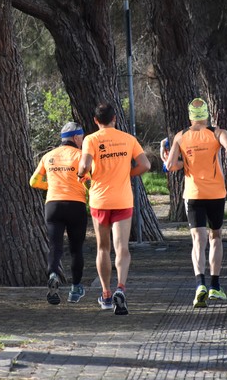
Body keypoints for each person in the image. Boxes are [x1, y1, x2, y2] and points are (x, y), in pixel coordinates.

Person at [77, 103, 151, 315]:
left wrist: (82, 175)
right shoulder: (128, 139)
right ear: (115, 118)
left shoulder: (91, 139)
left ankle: (106, 294)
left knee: (103, 248)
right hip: (122, 200)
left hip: (100, 201)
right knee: (122, 248)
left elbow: (83, 166)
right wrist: (128, 174)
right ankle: (121, 287)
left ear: (95, 121)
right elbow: (146, 165)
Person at [165, 97, 227, 308]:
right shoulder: (218, 133)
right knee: (216, 236)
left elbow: (171, 166)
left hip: (193, 194)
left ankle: (200, 285)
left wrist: (169, 159)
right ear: (207, 115)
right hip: (216, 193)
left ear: (190, 116)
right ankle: (215, 286)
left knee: (198, 240)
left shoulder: (181, 136)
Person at [29, 122, 88, 305]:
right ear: (76, 137)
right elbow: (91, 181)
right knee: (76, 249)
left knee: (55, 247)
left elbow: (34, 181)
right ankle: (75, 289)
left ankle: (53, 274)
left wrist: (50, 186)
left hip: (53, 204)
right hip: (75, 204)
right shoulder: (80, 156)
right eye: (82, 138)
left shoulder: (48, 156)